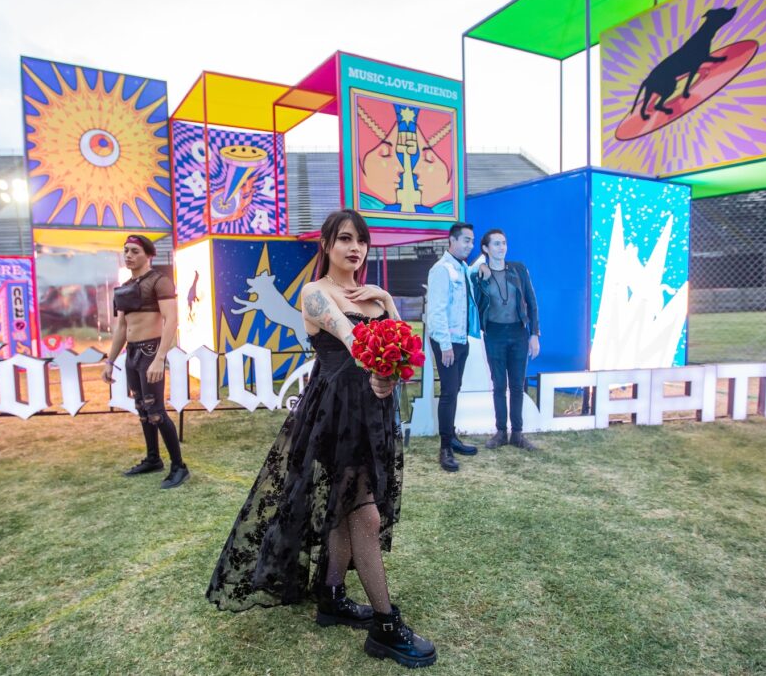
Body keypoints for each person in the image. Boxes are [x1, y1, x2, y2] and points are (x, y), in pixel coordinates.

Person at [207, 209, 436, 669]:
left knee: (342, 507)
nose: (355, 248)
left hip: (372, 415)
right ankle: (386, 627)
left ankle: (332, 595)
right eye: (345, 239)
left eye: (362, 241)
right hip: (335, 414)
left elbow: (403, 347)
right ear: (327, 245)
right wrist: (379, 367)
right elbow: (354, 341)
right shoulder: (315, 293)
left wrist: (388, 303)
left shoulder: (374, 297)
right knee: (364, 516)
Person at [101, 235, 189, 490]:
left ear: (148, 255)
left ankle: (179, 467)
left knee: (157, 412)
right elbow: (121, 328)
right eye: (126, 250)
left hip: (151, 352)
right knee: (142, 409)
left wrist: (160, 357)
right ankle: (153, 459)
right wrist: (110, 361)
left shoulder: (159, 282)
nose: (128, 255)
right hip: (133, 354)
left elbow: (171, 320)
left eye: (134, 251)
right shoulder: (126, 286)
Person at [472, 229, 541, 451]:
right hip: (494, 334)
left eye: (504, 243)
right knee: (499, 385)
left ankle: (517, 434)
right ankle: (501, 432)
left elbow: (531, 302)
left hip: (519, 333)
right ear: (485, 249)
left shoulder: (519, 269)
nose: (502, 247)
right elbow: (465, 274)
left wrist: (534, 334)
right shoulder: (479, 275)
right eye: (496, 244)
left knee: (518, 385)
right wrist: (481, 266)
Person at [425, 222, 480, 472]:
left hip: (461, 340)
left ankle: (453, 437)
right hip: (447, 342)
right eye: (466, 240)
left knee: (455, 390)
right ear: (452, 241)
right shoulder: (442, 270)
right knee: (448, 392)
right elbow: (436, 310)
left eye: (471, 241)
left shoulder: (462, 267)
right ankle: (445, 447)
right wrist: (445, 345)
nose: (470, 245)